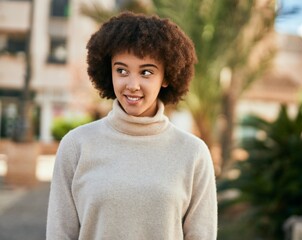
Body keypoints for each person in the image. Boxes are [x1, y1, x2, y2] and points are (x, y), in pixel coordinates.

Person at [46, 11, 217, 240]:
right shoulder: (76, 145)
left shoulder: (193, 153)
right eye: (122, 70)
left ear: (166, 77)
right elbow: (60, 233)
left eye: (146, 72)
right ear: (110, 71)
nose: (132, 85)